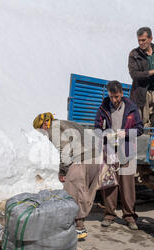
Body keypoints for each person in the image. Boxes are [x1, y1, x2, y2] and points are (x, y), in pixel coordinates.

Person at [33, 113, 100, 241]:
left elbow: (64, 150)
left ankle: (78, 228)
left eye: (41, 131)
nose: (43, 134)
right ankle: (78, 224)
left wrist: (63, 171)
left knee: (73, 192)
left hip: (81, 160)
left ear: (43, 125)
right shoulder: (69, 123)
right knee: (85, 192)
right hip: (95, 159)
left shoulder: (53, 128)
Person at [94, 80, 144, 230]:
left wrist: (127, 133)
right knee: (109, 183)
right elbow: (96, 127)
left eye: (116, 96)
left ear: (122, 94)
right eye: (111, 97)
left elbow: (140, 129)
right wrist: (104, 134)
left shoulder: (131, 108)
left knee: (127, 185)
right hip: (109, 150)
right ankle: (109, 214)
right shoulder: (103, 107)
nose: (114, 100)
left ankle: (129, 216)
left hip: (126, 151)